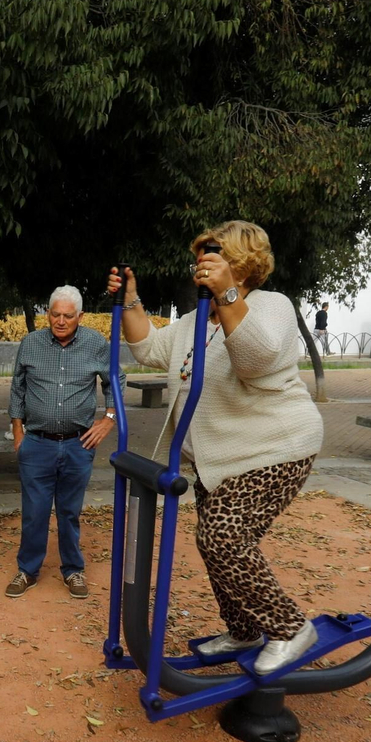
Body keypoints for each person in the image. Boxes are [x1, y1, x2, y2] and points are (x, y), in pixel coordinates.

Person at [108, 220, 325, 674]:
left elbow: (256, 360)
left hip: (274, 448)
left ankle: (289, 628)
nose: (200, 264)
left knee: (223, 537)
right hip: (218, 457)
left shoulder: (272, 306)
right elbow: (148, 348)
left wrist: (227, 296)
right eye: (201, 257)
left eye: (213, 256)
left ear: (242, 265)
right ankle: (244, 629)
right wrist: (130, 300)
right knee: (217, 543)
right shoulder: (194, 320)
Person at [6, 285, 116, 600]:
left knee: (69, 511)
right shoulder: (31, 344)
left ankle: (73, 570)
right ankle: (27, 570)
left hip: (78, 443)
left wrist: (108, 420)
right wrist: (18, 434)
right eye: (55, 314)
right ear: (48, 314)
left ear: (80, 316)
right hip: (37, 443)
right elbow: (17, 388)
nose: (61, 321)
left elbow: (115, 382)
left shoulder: (95, 343)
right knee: (35, 511)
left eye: (69, 316)